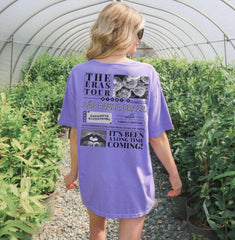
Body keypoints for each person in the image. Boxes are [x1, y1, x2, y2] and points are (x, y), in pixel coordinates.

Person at [58, 2, 182, 240]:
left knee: (97, 231)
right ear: (124, 33)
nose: (140, 39)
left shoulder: (79, 74)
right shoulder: (145, 74)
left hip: (94, 175)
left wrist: (73, 171)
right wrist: (174, 176)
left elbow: (76, 131)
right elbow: (156, 136)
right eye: (139, 32)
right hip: (133, 176)